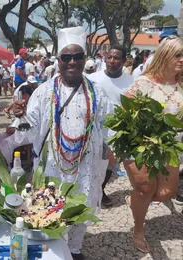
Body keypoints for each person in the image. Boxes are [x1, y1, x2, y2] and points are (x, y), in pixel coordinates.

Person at [13, 27, 113, 260]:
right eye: (66, 57)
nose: (72, 62)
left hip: (85, 165)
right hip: (52, 166)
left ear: (85, 59)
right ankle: (55, 250)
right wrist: (20, 117)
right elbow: (28, 133)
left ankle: (75, 250)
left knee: (81, 210)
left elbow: (109, 127)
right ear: (58, 60)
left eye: (78, 56)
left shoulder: (97, 92)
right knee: (51, 211)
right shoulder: (43, 92)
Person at [124, 36, 183, 253]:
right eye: (178, 55)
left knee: (167, 192)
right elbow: (123, 114)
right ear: (165, 55)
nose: (182, 60)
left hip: (170, 147)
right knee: (146, 187)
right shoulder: (144, 82)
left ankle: (135, 198)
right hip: (140, 146)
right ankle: (139, 228)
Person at [87, 46, 134, 206]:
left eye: (116, 59)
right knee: (92, 161)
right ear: (105, 58)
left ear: (123, 61)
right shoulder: (93, 78)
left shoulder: (131, 81)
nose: (112, 61)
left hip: (117, 131)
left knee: (111, 164)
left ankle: (100, 189)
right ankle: (89, 191)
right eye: (109, 58)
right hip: (94, 128)